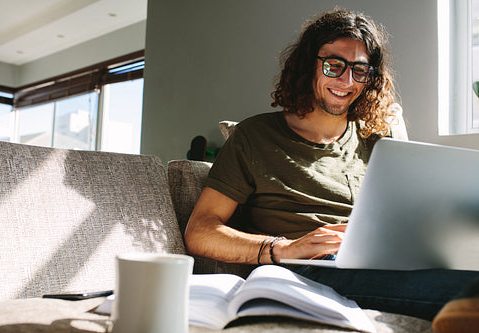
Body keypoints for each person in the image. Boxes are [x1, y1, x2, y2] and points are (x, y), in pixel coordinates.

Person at [184, 8, 478, 321]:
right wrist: (282, 248)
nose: (346, 81)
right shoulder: (254, 136)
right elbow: (201, 231)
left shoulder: (379, 136)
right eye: (334, 65)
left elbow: (414, 214)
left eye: (359, 70)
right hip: (314, 267)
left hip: (386, 258)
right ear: (307, 65)